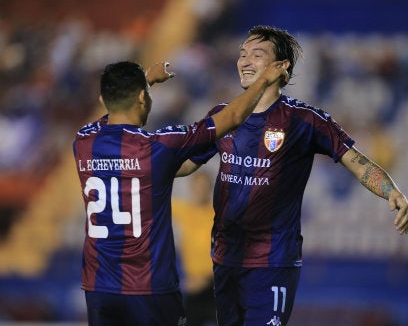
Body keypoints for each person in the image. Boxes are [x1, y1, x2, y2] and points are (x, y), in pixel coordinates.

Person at [176, 25, 408, 326]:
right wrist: (147, 169)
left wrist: (392, 191)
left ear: (281, 66)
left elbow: (356, 160)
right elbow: (187, 164)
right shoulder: (222, 115)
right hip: (225, 260)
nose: (245, 61)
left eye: (257, 54)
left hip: (273, 261)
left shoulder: (304, 120)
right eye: (242, 54)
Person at [73, 59, 288, 326]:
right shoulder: (156, 148)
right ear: (142, 97)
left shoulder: (82, 141)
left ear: (102, 99)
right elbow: (231, 118)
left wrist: (145, 82)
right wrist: (264, 80)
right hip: (151, 289)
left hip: (99, 288)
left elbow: (109, 116)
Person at [172, 170, 217, 326]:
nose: (200, 191)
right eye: (197, 186)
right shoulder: (185, 211)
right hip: (191, 290)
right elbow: (155, 201)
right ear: (191, 188)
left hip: (214, 288)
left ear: (210, 188)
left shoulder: (217, 215)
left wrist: (205, 280)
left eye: (204, 187)